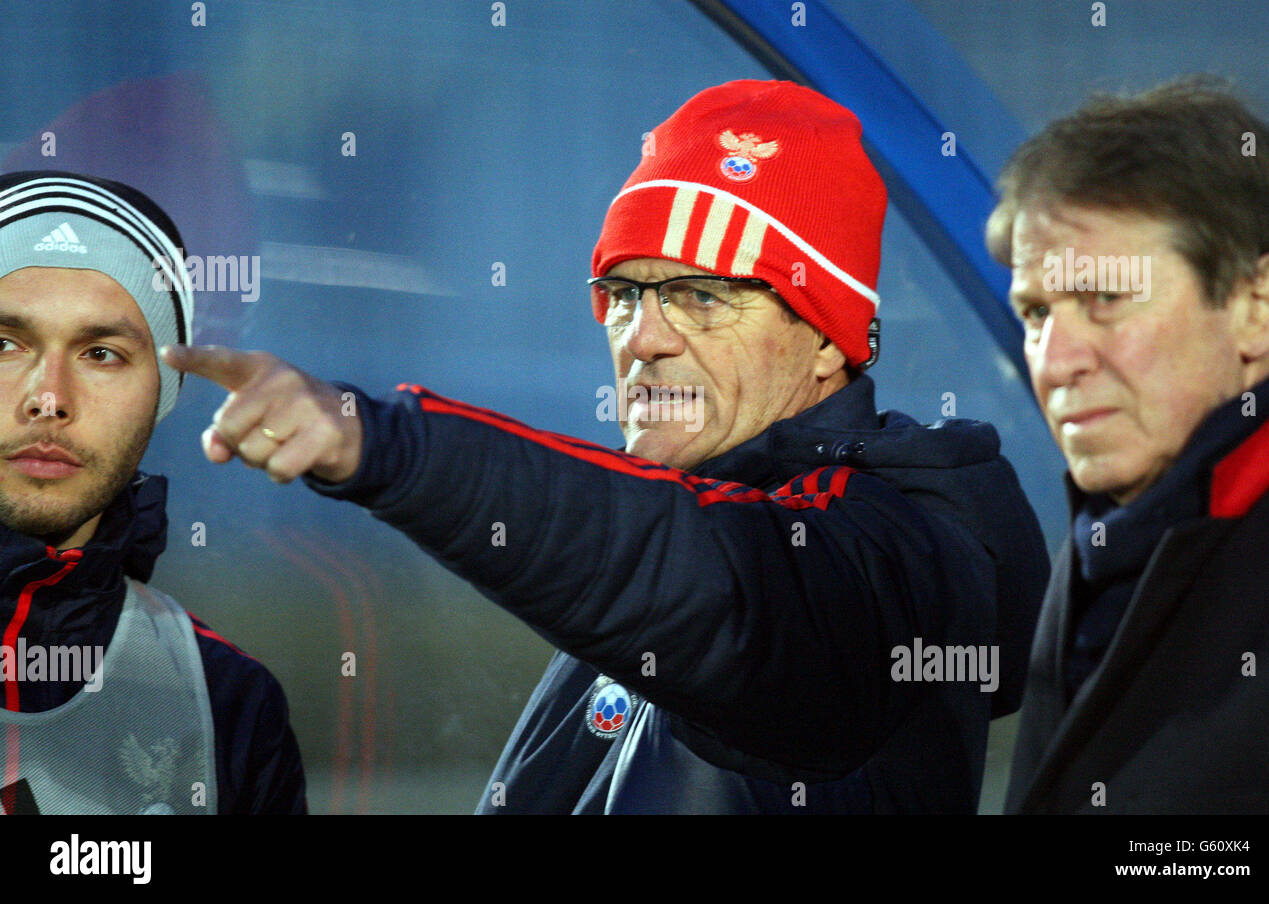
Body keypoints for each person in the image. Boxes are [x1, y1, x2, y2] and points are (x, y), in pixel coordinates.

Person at [165, 80, 1049, 814]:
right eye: (623, 292)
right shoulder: (694, 511)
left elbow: (702, 575)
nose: (643, 336)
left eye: (704, 297)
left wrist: (384, 447)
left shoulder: (886, 551)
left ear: (827, 340)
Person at [987, 76, 1269, 813]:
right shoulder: (1113, 528)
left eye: (1106, 298)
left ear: (1259, 308)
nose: (1056, 360)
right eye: (1035, 313)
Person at [0, 170, 306, 814]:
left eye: (102, 353)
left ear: (162, 396)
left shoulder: (228, 702)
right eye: (3, 344)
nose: (49, 398)